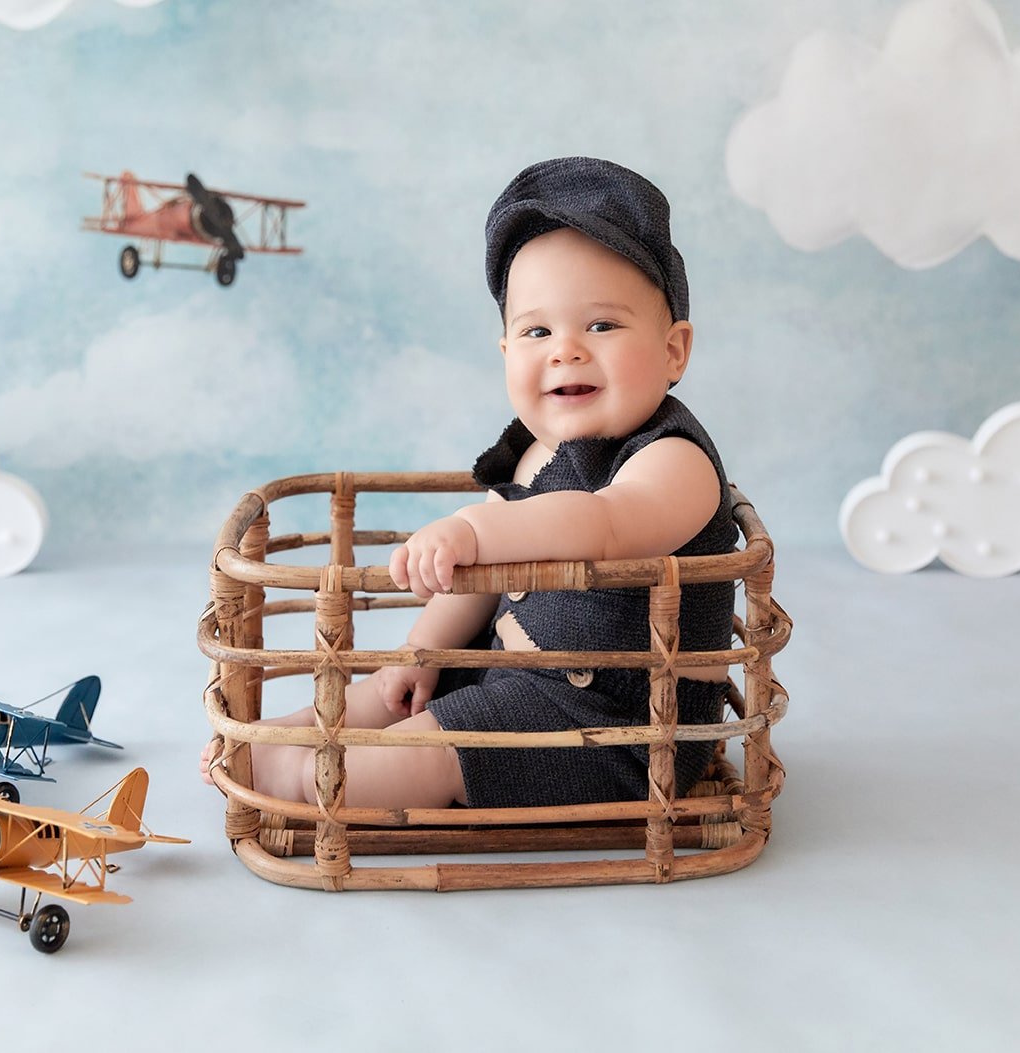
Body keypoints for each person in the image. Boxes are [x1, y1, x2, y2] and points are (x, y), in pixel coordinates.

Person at [201, 156, 739, 810]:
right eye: (537, 330)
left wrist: (475, 529)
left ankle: (302, 779)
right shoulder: (534, 454)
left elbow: (607, 522)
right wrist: (419, 650)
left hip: (617, 728)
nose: (565, 349)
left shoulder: (673, 460)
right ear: (508, 353)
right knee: (404, 679)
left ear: (674, 350)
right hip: (515, 678)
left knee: (436, 748)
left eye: (601, 324)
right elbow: (482, 595)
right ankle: (294, 732)